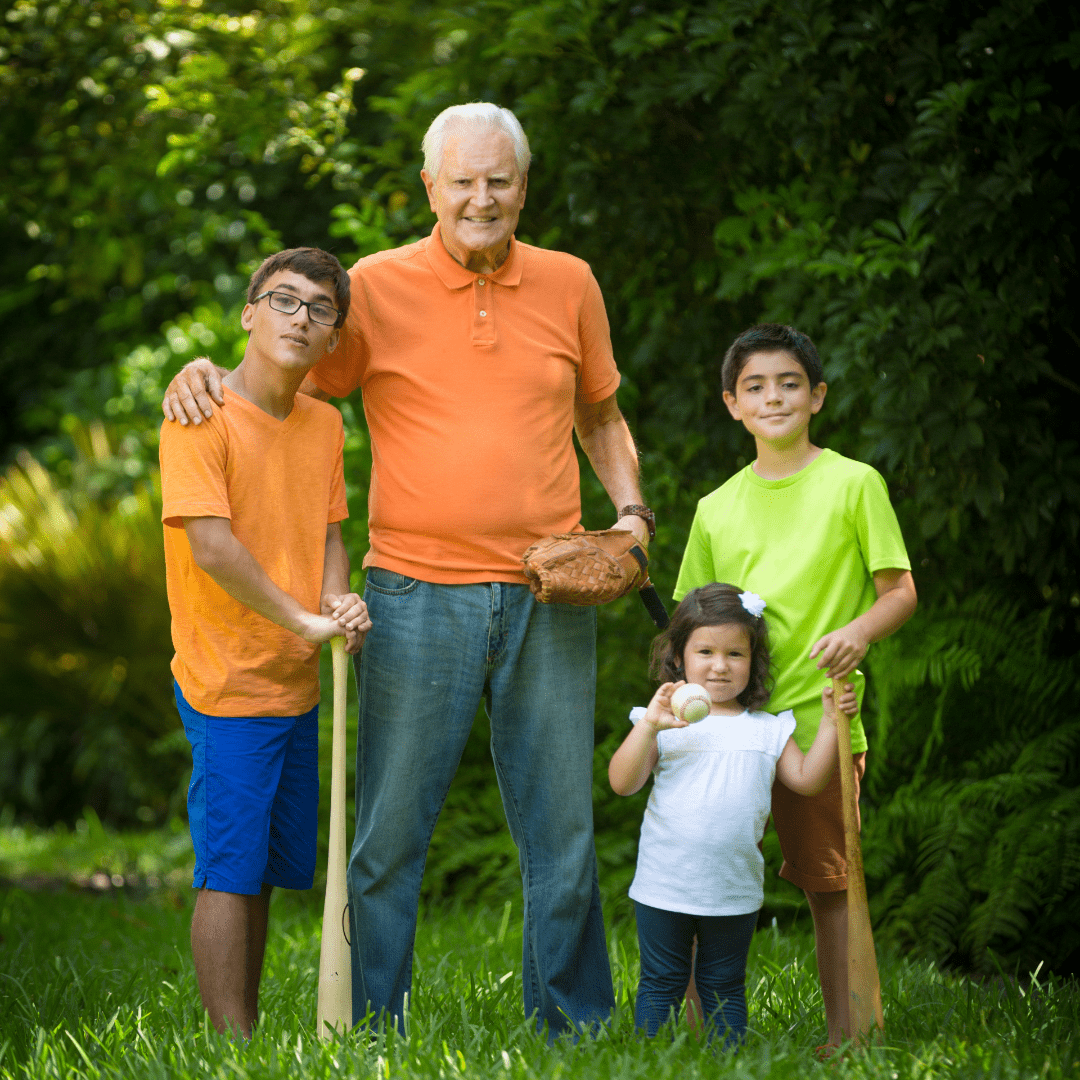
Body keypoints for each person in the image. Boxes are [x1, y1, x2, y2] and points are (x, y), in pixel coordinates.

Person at [160, 103, 652, 1037]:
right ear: (429, 186)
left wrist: (630, 514)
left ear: (522, 187)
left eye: (498, 180)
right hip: (412, 593)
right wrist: (203, 373)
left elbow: (601, 416)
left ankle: (576, 1027)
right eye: (461, 180)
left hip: (550, 594)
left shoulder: (571, 282)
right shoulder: (374, 288)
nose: (481, 197)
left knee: (563, 832)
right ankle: (366, 1022)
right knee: (386, 837)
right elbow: (282, 368)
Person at [673, 323, 917, 1048]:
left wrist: (860, 632)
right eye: (755, 386)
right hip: (727, 727)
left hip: (820, 721)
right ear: (731, 404)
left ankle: (851, 1037)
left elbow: (899, 591)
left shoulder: (854, 484)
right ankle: (697, 1037)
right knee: (699, 881)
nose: (772, 397)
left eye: (788, 383)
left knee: (830, 886)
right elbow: (692, 623)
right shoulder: (716, 508)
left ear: (817, 396)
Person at [159, 247, 372, 1037]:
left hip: (296, 680)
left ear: (332, 340)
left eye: (320, 310)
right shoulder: (197, 415)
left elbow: (328, 535)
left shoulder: (324, 422)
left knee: (268, 871)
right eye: (284, 300)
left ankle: (243, 1033)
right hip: (226, 682)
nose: (300, 318)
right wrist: (304, 620)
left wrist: (338, 601)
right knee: (228, 870)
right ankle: (229, 1044)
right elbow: (211, 547)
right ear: (250, 313)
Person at [609, 583, 856, 1046]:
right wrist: (648, 726)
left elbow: (807, 780)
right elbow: (623, 782)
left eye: (735, 654)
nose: (720, 665)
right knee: (661, 983)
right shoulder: (662, 724)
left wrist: (830, 722)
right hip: (665, 887)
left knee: (724, 986)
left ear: (753, 662)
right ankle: (650, 1063)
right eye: (705, 650)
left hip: (733, 892)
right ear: (680, 658)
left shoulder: (766, 730)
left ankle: (727, 1063)